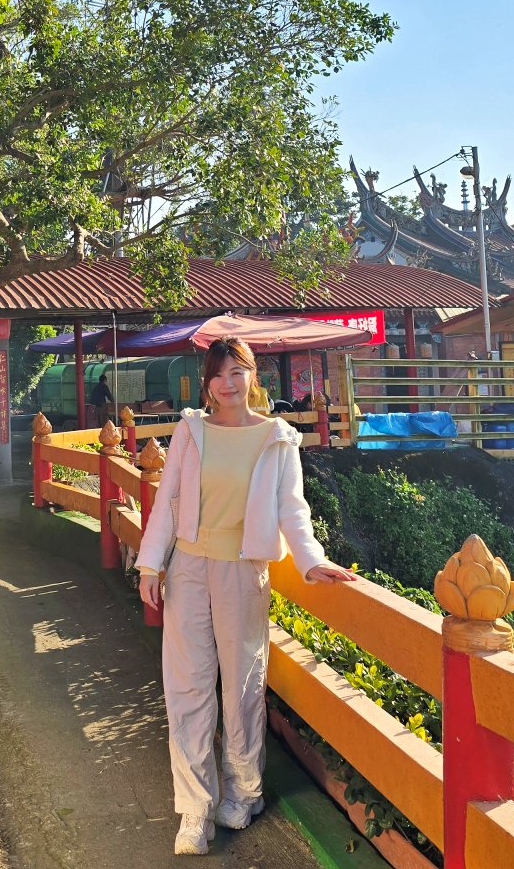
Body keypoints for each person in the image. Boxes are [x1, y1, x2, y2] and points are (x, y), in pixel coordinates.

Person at [135, 337, 358, 856]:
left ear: (253, 376)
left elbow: (291, 508)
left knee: (241, 686)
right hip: (188, 567)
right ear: (206, 382)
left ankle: (244, 791)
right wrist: (150, 563)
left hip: (243, 571)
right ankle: (194, 808)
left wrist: (311, 560)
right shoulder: (191, 431)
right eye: (218, 374)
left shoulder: (276, 438)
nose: (228, 384)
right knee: (187, 687)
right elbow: (167, 501)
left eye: (238, 372)